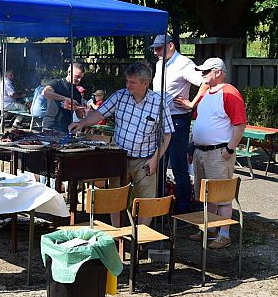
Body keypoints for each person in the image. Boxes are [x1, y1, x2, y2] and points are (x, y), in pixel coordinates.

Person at [69, 62, 174, 226]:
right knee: (115, 199)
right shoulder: (120, 96)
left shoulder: (158, 103)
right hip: (119, 157)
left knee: (146, 202)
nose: (128, 85)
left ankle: (138, 242)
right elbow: (99, 113)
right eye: (127, 81)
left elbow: (167, 135)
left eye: (132, 82)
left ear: (145, 83)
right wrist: (82, 123)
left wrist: (155, 159)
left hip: (145, 160)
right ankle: (118, 237)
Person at [188, 57, 246, 249]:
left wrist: (229, 149)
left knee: (221, 196)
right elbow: (198, 121)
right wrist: (192, 148)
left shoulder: (230, 93)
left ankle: (224, 233)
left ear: (218, 72)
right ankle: (209, 228)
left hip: (218, 152)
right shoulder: (206, 94)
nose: (202, 75)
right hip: (201, 152)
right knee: (206, 194)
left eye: (206, 71)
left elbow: (239, 123)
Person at [151, 33, 208, 214]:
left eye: (159, 48)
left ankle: (183, 208)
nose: (155, 52)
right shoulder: (161, 63)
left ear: (171, 46)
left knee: (177, 164)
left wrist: (192, 104)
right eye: (154, 49)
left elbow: (205, 82)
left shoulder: (184, 63)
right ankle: (159, 204)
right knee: (159, 161)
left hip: (177, 120)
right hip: (160, 118)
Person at [42, 63, 86, 132]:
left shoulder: (77, 93)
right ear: (69, 72)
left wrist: (80, 109)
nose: (79, 80)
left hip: (66, 128)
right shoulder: (56, 83)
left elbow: (79, 116)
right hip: (51, 125)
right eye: (77, 76)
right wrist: (66, 99)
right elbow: (45, 92)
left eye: (81, 77)